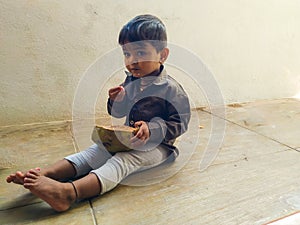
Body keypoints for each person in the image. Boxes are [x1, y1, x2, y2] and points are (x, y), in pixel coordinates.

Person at [6, 14, 191, 212]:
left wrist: (152, 129)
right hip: (129, 139)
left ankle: (69, 193)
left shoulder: (171, 89)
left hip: (159, 147)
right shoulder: (130, 81)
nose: (132, 61)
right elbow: (118, 113)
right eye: (127, 54)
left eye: (140, 53)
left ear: (162, 55)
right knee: (95, 151)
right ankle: (46, 175)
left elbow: (180, 122)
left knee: (122, 161)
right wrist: (115, 101)